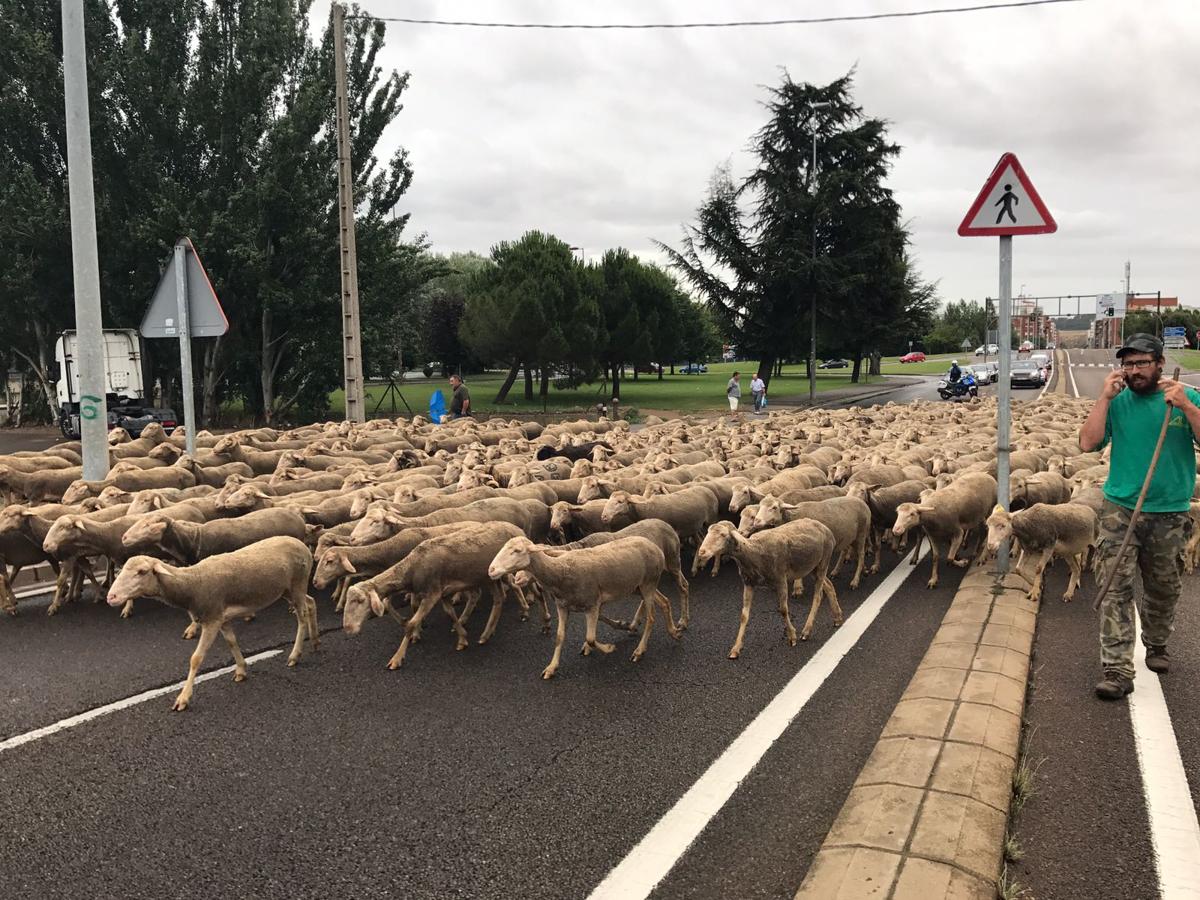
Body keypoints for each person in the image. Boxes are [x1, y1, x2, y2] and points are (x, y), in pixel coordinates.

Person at [1079, 333, 1200, 700]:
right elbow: (1087, 443)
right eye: (1128, 364)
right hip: (1121, 509)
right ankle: (1116, 669)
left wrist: (1187, 408)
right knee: (1114, 586)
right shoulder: (1118, 403)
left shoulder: (1183, 398)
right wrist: (1104, 398)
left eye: (1142, 363)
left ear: (1159, 363)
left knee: (1164, 586)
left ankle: (1157, 642)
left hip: (1170, 510)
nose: (1134, 371)